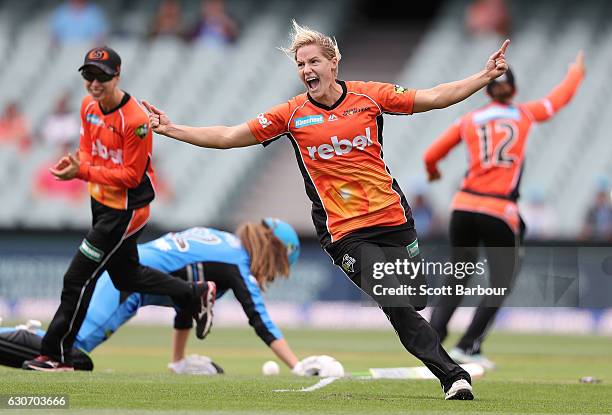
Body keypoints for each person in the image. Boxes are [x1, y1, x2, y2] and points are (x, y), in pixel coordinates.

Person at [143, 21, 512, 400]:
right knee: (397, 304)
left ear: (334, 63)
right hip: (345, 232)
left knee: (416, 296)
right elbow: (228, 136)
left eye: (313, 61)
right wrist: (172, 129)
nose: (306, 70)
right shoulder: (291, 114)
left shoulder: (370, 97)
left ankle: (440, 351)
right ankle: (453, 376)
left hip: (392, 218)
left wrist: (484, 76)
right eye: (300, 64)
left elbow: (434, 97)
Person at [22, 46, 214, 372]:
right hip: (101, 203)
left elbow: (130, 176)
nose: (94, 83)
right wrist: (76, 162)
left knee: (76, 278)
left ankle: (57, 355)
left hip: (127, 210)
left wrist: (81, 171)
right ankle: (193, 293)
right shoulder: (87, 106)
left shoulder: (135, 120)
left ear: (117, 76)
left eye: (102, 76)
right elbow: (87, 152)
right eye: (88, 75)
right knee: (127, 275)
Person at [423, 52, 585, 369]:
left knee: (458, 276)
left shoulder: (468, 120)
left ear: (487, 91)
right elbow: (558, 100)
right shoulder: (524, 114)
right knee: (501, 281)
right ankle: (468, 346)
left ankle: (430, 340)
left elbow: (431, 155)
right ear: (514, 90)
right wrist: (576, 73)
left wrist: (433, 173)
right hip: (499, 209)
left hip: (464, 205)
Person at [4, 219, 302, 374]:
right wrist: (297, 366)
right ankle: (14, 335)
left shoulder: (222, 242)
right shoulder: (235, 262)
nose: (275, 273)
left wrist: (178, 361)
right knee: (72, 354)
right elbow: (259, 319)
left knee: (68, 353)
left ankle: (20, 336)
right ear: (275, 252)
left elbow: (187, 301)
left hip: (127, 273)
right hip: (126, 284)